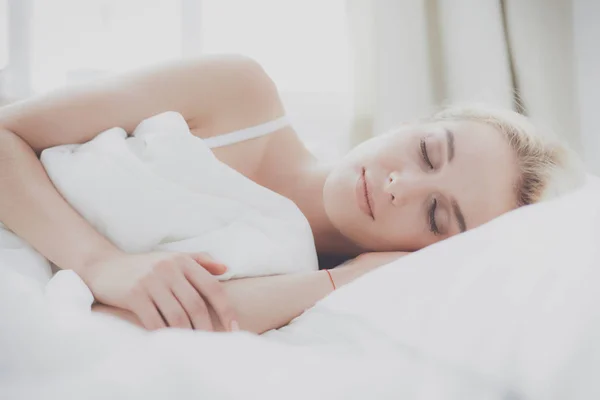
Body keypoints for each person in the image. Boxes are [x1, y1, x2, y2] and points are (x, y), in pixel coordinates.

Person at [0, 55, 580, 334]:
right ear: (414, 123)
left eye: (436, 215)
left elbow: (140, 325)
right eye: (428, 151)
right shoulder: (238, 94)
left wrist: (345, 281)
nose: (401, 183)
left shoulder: (301, 287)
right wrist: (101, 263)